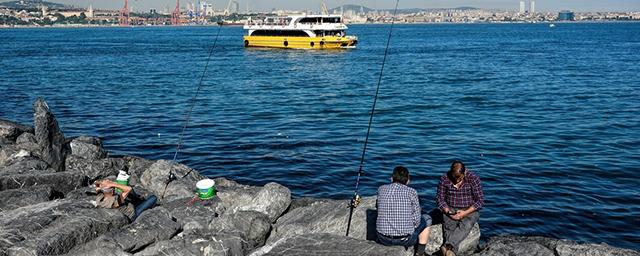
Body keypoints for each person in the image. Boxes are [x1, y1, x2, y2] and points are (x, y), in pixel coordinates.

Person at [376, 166, 432, 256]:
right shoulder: (412, 192)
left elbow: (378, 208)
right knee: (427, 218)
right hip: (405, 240)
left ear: (391, 178)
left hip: (382, 238)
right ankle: (420, 253)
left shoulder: (381, 189)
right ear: (408, 180)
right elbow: (417, 221)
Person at [436, 161, 484, 256]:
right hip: (451, 208)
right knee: (449, 226)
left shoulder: (473, 178)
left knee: (466, 224)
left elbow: (480, 201)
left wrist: (464, 213)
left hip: (469, 209)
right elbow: (439, 199)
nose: (457, 180)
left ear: (464, 172)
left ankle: (447, 246)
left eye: (459, 177)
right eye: (454, 177)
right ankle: (452, 252)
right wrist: (448, 211)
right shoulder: (444, 178)